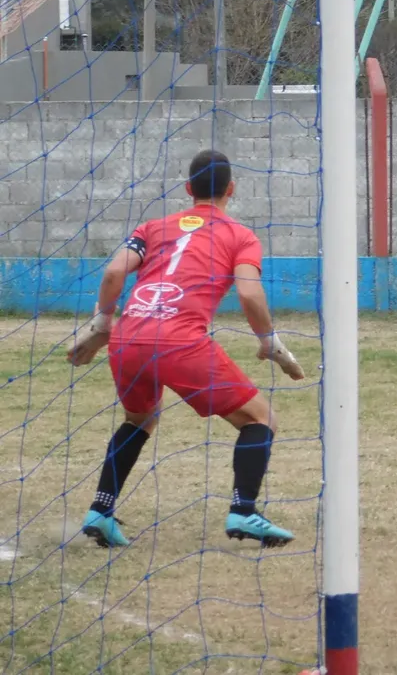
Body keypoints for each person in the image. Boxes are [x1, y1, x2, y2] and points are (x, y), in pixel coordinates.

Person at [66, 149, 305, 549]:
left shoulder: (152, 227)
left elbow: (112, 272)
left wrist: (103, 323)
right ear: (231, 189)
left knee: (139, 420)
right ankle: (244, 510)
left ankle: (100, 510)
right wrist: (270, 343)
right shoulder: (241, 236)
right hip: (179, 340)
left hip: (129, 338)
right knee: (260, 419)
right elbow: (248, 293)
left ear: (188, 189)